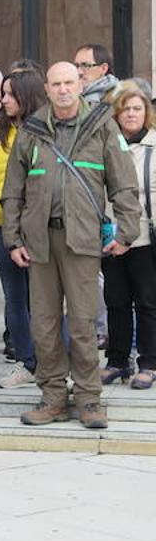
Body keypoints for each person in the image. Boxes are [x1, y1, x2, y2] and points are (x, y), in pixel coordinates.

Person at [4, 62, 140, 430]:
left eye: (69, 82)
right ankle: (52, 398)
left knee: (82, 324)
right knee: (45, 324)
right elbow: (12, 190)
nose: (63, 89)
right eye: (56, 84)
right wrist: (12, 238)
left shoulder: (101, 126)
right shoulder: (31, 130)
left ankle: (89, 400)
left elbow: (124, 183)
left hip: (82, 238)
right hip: (39, 241)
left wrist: (126, 232)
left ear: (80, 84)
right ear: (46, 88)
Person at [0, 69, 45, 388]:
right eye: (2, 93)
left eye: (9, 94)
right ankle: (26, 362)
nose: (3, 99)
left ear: (26, 95)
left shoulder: (46, 130)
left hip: (37, 226)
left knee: (44, 297)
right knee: (14, 297)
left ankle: (53, 363)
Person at [100, 83, 156, 390]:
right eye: (126, 109)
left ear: (146, 112)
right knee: (116, 301)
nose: (132, 114)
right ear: (117, 115)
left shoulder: (154, 145)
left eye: (137, 108)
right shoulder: (107, 144)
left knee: (147, 302)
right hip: (111, 236)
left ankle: (149, 362)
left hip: (146, 238)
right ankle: (117, 361)